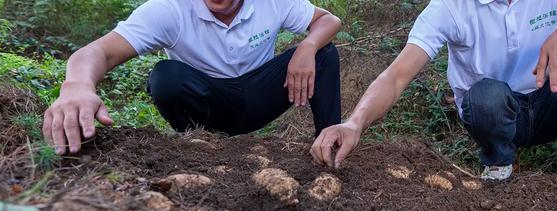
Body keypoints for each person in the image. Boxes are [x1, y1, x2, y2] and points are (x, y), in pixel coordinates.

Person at [311, 0, 557, 211]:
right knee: (486, 94)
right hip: (494, 112)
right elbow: (397, 76)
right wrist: (354, 123)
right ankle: (498, 162)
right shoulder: (451, 8)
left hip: (555, 97)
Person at [43, 0, 342, 155]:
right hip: (207, 103)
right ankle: (198, 147)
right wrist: (77, 85)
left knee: (324, 54)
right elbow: (100, 52)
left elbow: (329, 20)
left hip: (259, 95)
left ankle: (328, 144)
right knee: (166, 76)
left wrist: (307, 46)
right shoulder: (170, 9)